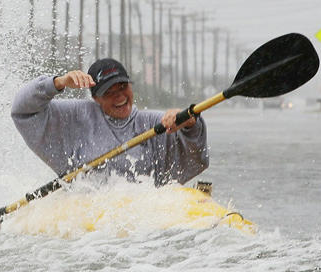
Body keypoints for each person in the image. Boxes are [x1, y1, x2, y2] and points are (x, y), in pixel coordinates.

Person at [11, 57, 208, 187]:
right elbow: (23, 111)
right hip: (90, 223)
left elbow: (195, 146)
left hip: (142, 216)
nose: (119, 96)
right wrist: (57, 83)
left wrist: (187, 121)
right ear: (96, 98)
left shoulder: (153, 123)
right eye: (109, 92)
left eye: (123, 87)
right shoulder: (77, 116)